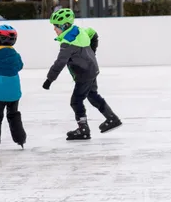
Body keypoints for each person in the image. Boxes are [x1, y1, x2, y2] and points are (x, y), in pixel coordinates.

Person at [42, 8, 122, 140]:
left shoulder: (67, 43)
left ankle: (83, 129)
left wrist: (49, 80)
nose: (54, 29)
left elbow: (59, 63)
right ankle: (112, 118)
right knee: (92, 95)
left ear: (64, 26)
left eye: (56, 27)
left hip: (84, 74)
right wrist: (92, 53)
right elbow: (93, 33)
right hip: (92, 69)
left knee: (76, 101)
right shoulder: (79, 30)